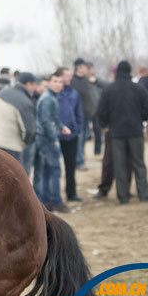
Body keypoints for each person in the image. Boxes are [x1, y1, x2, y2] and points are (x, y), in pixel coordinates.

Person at [96, 61, 148, 204]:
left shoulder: (109, 89)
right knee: (139, 163)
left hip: (116, 132)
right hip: (135, 131)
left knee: (119, 164)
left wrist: (106, 124)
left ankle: (123, 196)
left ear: (117, 72)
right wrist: (141, 118)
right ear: (130, 72)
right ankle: (144, 194)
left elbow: (101, 111)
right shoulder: (138, 88)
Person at [33, 71, 70, 213]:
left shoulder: (51, 97)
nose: (58, 84)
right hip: (46, 139)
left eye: (60, 82)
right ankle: (56, 202)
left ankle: (47, 203)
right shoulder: (48, 99)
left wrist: (61, 127)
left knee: (48, 171)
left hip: (45, 138)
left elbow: (54, 118)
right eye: (55, 81)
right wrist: (53, 139)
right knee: (54, 170)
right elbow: (46, 122)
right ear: (49, 83)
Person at [0, 72, 37, 167]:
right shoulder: (24, 101)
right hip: (11, 148)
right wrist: (25, 142)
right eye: (34, 85)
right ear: (28, 84)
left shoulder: (2, 93)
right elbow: (29, 131)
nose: (35, 88)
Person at [57, 67, 83, 202]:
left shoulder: (74, 93)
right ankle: (54, 197)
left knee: (71, 166)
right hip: (56, 136)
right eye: (67, 75)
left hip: (71, 136)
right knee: (54, 168)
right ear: (60, 77)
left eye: (69, 75)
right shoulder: (55, 93)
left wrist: (77, 129)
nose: (69, 78)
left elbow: (79, 113)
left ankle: (71, 194)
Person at [71, 58, 96, 170]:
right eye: (84, 66)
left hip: (87, 115)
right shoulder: (73, 81)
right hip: (78, 117)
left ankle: (80, 157)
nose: (86, 68)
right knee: (79, 139)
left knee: (84, 138)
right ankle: (79, 162)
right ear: (79, 67)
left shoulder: (86, 80)